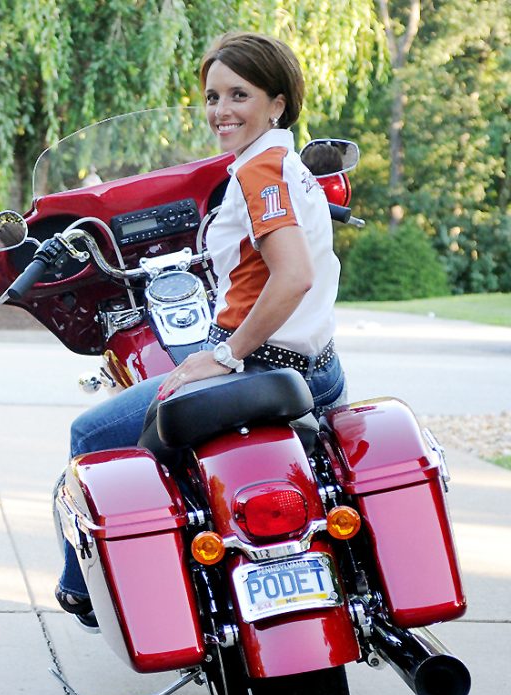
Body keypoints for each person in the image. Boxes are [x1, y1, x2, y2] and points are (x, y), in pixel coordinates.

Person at [54, 32, 347, 628]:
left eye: (240, 94)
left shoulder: (259, 173)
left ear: (278, 103)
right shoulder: (288, 166)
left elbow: (293, 276)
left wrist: (228, 354)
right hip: (322, 370)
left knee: (89, 436)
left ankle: (80, 592)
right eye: (213, 97)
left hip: (258, 368)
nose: (221, 111)